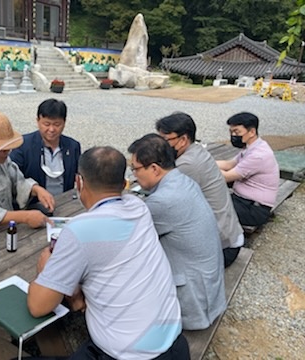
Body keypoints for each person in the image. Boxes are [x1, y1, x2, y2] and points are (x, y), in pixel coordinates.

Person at [27, 146, 190, 360]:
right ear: (124, 185)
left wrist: (45, 269)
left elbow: (38, 306)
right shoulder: (138, 207)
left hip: (129, 355)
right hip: (175, 346)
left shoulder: (78, 230)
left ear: (79, 182)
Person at [128, 134, 226, 331]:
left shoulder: (164, 201)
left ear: (154, 168)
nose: (133, 176)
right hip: (208, 286)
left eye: (135, 169)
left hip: (194, 303)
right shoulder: (183, 180)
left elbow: (128, 242)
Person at [155, 112, 244, 268]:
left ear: (183, 140)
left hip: (221, 249)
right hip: (230, 236)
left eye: (165, 140)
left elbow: (163, 202)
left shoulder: (187, 164)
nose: (160, 146)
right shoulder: (197, 150)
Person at [216, 112, 279, 227]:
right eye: (231, 132)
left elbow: (226, 177)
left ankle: (232, 241)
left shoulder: (258, 155)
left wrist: (201, 168)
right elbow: (229, 164)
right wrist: (206, 162)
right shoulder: (253, 147)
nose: (234, 136)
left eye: (237, 132)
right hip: (245, 201)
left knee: (208, 206)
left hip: (253, 210)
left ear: (252, 132)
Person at [10, 99, 81, 198]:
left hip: (64, 201)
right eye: (46, 124)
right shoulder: (23, 145)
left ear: (64, 123)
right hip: (33, 203)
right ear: (38, 121)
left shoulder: (73, 146)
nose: (51, 129)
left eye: (57, 124)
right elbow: (12, 177)